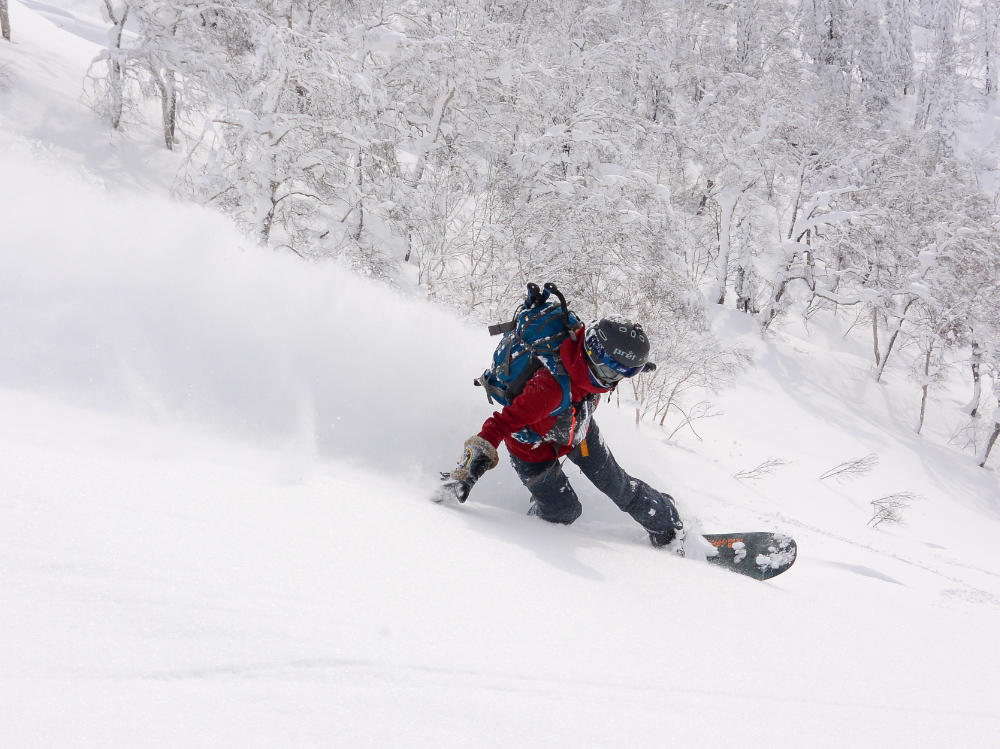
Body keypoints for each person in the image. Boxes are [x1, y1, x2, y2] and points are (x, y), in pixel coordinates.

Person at [441, 317, 684, 547]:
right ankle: (532, 528)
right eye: (612, 373)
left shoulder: (587, 353)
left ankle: (670, 530)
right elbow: (500, 424)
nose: (614, 382)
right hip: (532, 452)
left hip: (578, 431)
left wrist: (632, 365)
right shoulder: (550, 390)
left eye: (625, 374)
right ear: (593, 355)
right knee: (563, 511)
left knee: (618, 485)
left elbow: (611, 357)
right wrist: (467, 472)